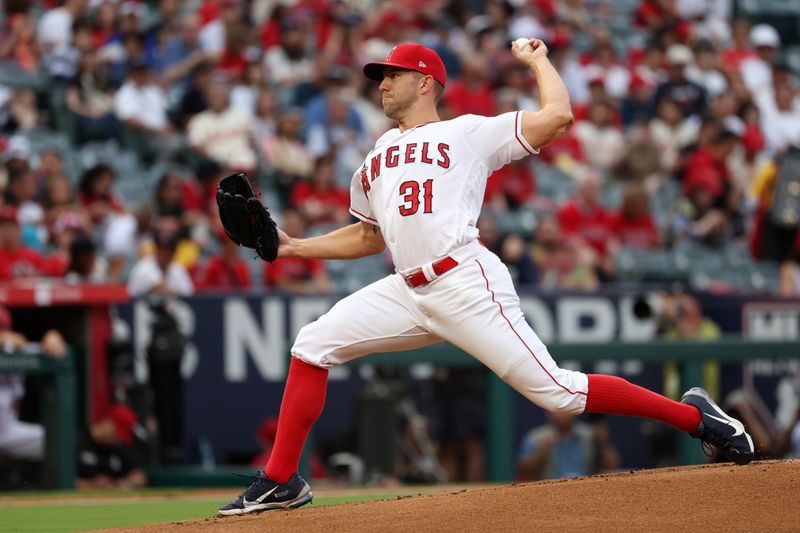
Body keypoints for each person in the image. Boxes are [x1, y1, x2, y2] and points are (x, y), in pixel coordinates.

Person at [219, 40, 754, 517]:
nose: (381, 83)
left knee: (559, 394)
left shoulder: (467, 132)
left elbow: (559, 116)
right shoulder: (376, 156)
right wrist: (292, 246)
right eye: (379, 75)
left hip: (464, 281)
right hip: (407, 288)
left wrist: (539, 59)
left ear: (425, 81)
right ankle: (281, 481)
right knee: (312, 344)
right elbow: (367, 237)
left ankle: (701, 421)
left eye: (392, 74)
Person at [0, 305, 67, 461]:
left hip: (7, 430)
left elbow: (51, 349)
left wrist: (52, 336)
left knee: (57, 440)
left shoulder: (15, 349)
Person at [517, 412, 619, 480]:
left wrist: (603, 441)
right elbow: (524, 470)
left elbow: (612, 465)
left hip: (586, 489)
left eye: (565, 408)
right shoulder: (536, 437)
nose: (562, 414)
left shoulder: (590, 435)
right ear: (548, 412)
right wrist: (542, 450)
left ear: (574, 411)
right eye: (558, 409)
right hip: (550, 492)